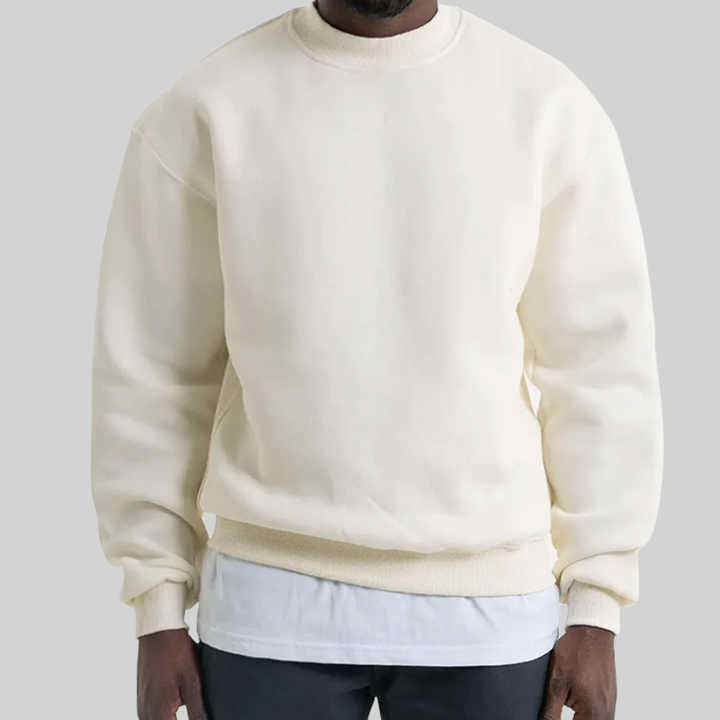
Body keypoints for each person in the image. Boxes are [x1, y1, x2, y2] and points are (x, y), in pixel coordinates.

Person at [91, 1, 663, 718]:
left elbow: (600, 369)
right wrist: (157, 606)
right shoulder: (208, 107)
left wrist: (597, 603)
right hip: (271, 604)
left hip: (491, 612)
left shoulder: (547, 107)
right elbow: (152, 374)